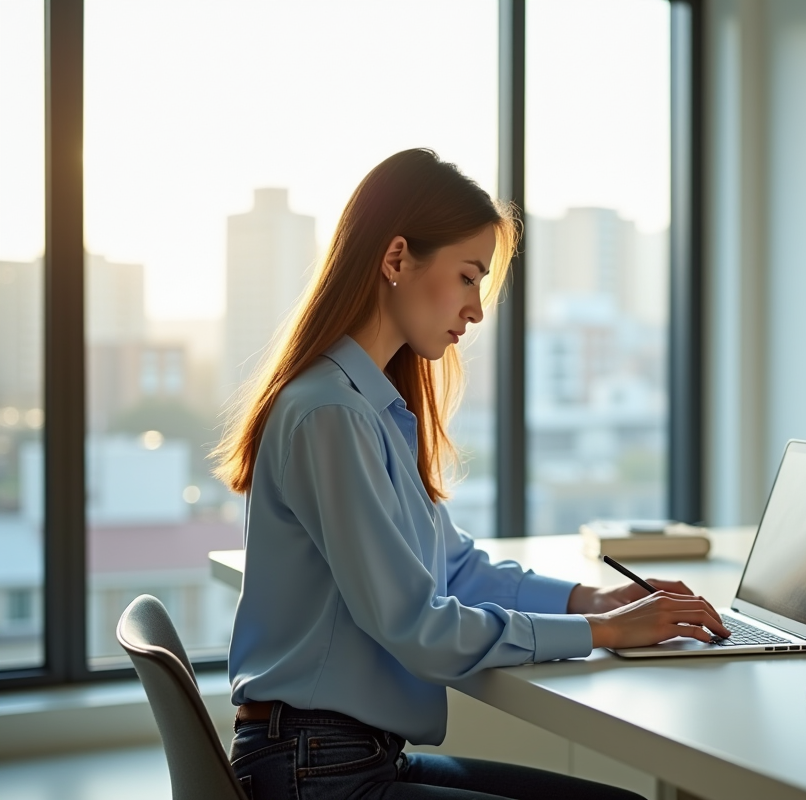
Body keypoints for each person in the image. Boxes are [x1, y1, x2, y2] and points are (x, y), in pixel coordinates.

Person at [212, 149, 730, 800]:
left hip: (349, 759)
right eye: (467, 276)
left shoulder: (369, 409)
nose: (478, 309)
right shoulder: (330, 414)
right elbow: (415, 626)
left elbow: (455, 569)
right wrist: (602, 634)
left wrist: (590, 601)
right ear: (397, 259)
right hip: (316, 774)